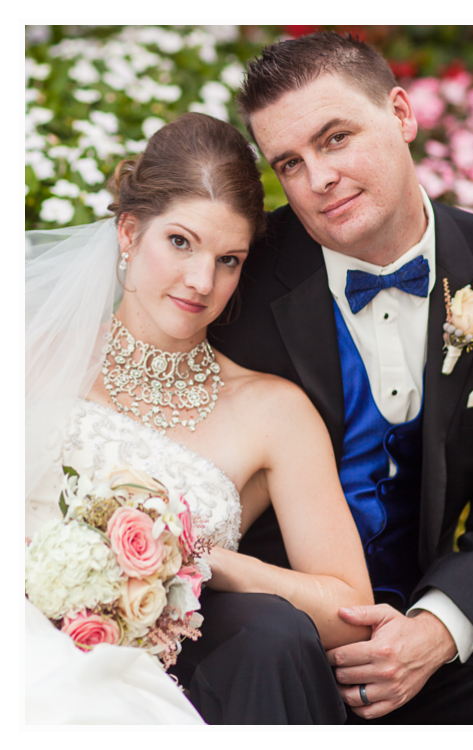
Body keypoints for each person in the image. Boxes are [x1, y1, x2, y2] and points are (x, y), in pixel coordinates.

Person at [25, 112, 374, 725]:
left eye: (229, 259)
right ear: (129, 232)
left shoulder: (273, 411)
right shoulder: (32, 353)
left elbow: (349, 611)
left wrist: (195, 557)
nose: (201, 282)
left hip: (167, 684)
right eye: (180, 242)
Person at [209, 31, 473, 723]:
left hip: (427, 616)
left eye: (335, 139)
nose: (316, 180)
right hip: (262, 628)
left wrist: (436, 629)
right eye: (290, 163)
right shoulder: (234, 281)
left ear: (401, 112)